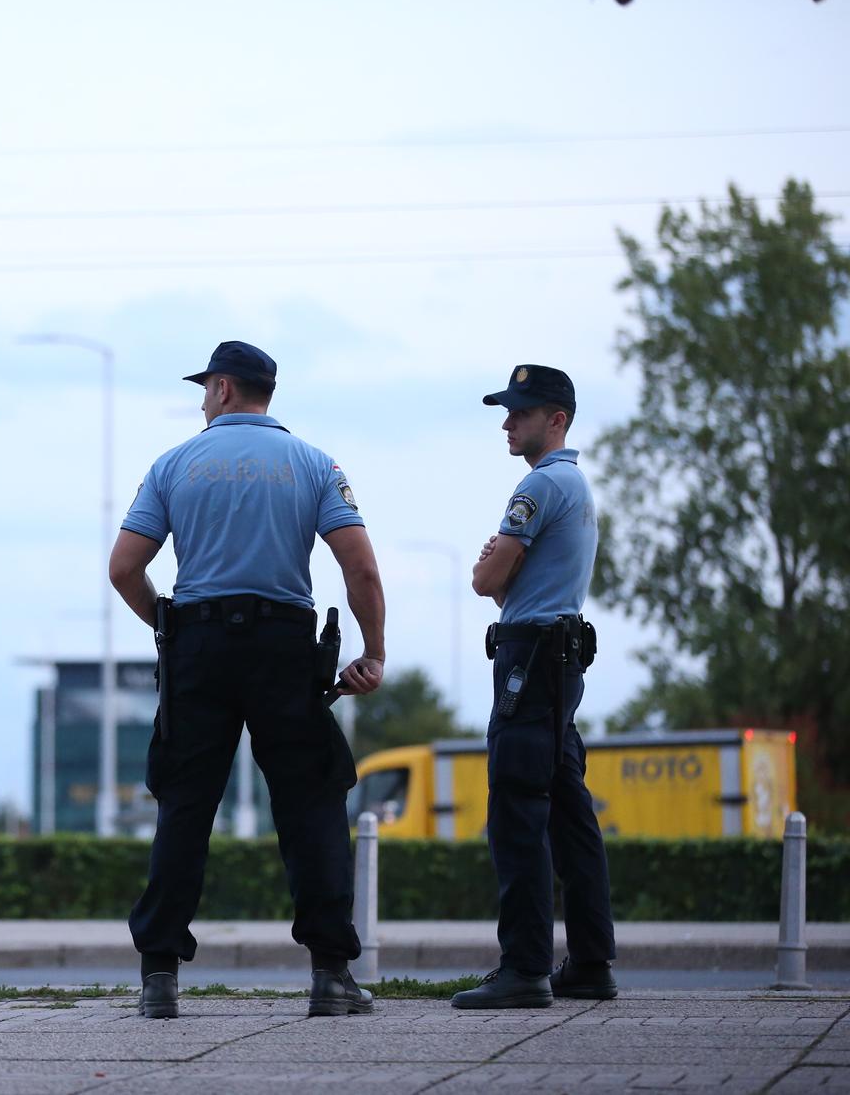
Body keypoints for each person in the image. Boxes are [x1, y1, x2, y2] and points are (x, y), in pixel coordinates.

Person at [108, 340, 386, 1020]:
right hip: (284, 649)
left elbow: (123, 568)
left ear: (225, 389)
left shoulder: (173, 465)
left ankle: (160, 977)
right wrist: (372, 650)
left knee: (185, 805)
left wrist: (166, 627)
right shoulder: (316, 464)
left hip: (198, 646)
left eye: (206, 388)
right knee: (312, 803)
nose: (203, 399)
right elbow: (361, 570)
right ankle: (330, 974)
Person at [453, 364, 618, 1010]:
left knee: (517, 811)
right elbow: (500, 572)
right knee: (571, 816)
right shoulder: (571, 484)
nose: (507, 423)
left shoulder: (542, 485)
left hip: (529, 659)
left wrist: (492, 566)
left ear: (557, 419)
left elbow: (486, 578)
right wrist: (500, 569)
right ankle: (591, 963)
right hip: (559, 663)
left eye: (519, 413)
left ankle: (524, 969)